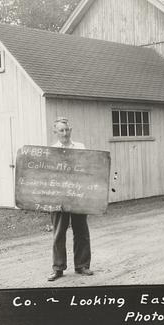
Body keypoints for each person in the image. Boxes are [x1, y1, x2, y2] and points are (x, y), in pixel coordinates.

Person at [47, 117, 93, 281]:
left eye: (67, 130)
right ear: (55, 132)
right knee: (59, 233)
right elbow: (48, 175)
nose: (65, 133)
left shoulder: (80, 147)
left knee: (81, 231)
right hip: (59, 197)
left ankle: (82, 265)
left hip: (78, 195)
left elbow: (87, 168)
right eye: (61, 130)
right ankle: (58, 268)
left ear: (70, 130)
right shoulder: (51, 150)